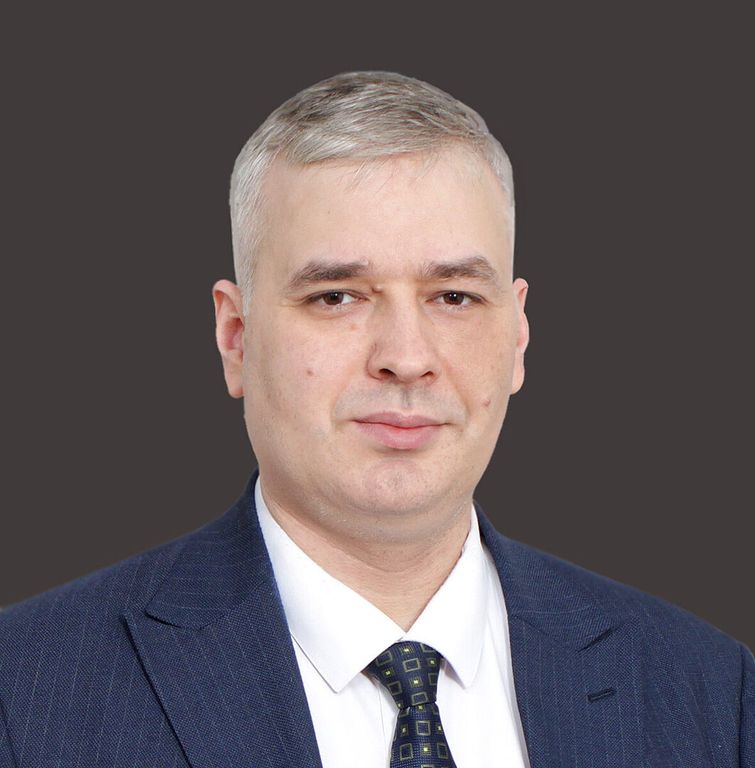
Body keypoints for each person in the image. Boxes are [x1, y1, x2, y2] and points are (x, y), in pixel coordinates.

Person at [0, 71, 751, 768]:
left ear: (517, 337)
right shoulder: (26, 693)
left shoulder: (711, 693)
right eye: (336, 297)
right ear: (236, 338)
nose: (406, 358)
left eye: (454, 296)